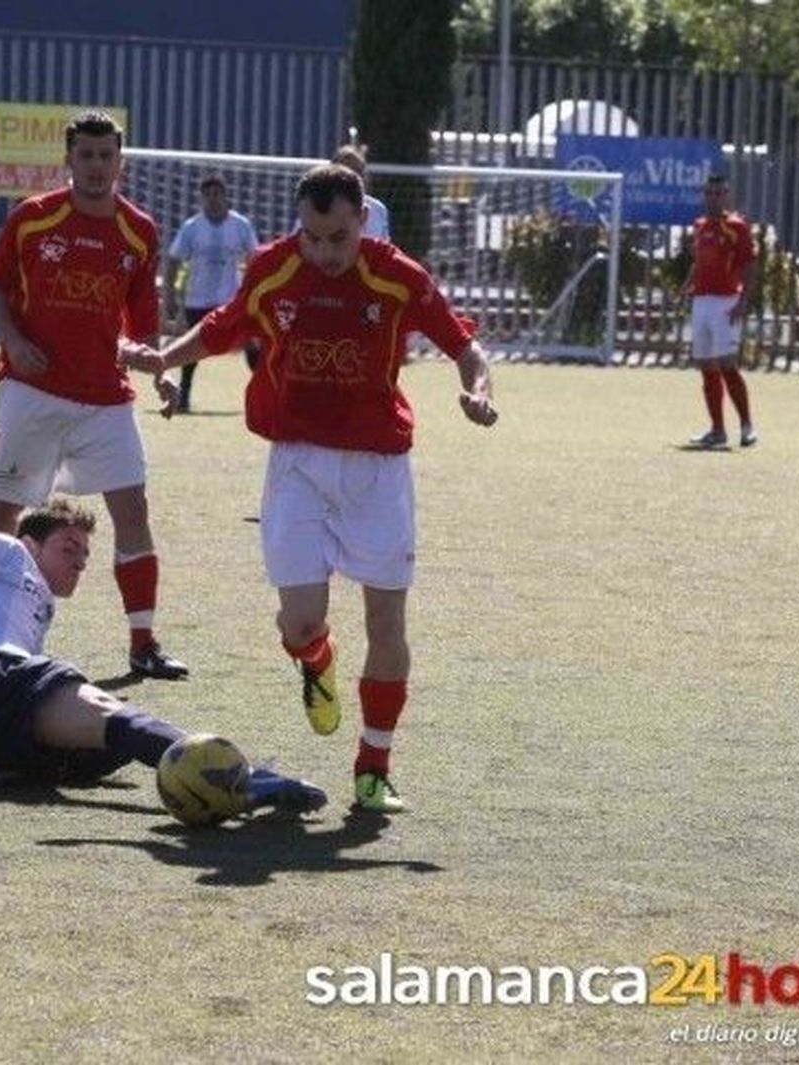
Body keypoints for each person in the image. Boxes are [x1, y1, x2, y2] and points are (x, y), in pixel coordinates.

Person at [121, 164, 499, 813]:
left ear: (362, 223)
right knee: (299, 621)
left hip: (378, 470)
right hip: (296, 463)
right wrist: (164, 358)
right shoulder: (274, 267)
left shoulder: (396, 275)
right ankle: (315, 658)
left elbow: (465, 347)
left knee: (386, 618)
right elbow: (223, 326)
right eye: (315, 236)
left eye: (340, 237)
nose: (325, 251)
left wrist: (477, 389)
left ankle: (374, 767)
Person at [0, 422, 326, 816]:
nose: (80, 562)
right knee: (119, 718)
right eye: (69, 548)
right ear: (30, 543)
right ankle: (247, 778)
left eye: (85, 555)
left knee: (105, 754)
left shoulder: (26, 607)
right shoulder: (8, 554)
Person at [0, 109, 188, 680]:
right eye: (86, 155)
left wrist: (158, 369)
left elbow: (141, 324)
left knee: (134, 509)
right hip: (32, 390)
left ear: (120, 161)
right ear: (68, 159)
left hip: (104, 397)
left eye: (107, 156)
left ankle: (143, 643)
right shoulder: (33, 219)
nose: (97, 167)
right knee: (3, 510)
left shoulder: (139, 230)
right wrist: (14, 339)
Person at [161, 173, 258, 411]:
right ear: (202, 199)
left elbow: (255, 257)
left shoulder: (240, 225)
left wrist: (254, 292)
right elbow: (173, 259)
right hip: (198, 299)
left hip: (230, 300)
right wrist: (170, 294)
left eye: (217, 194)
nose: (213, 199)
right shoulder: (192, 227)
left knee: (251, 344)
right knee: (193, 350)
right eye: (208, 195)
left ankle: (267, 390)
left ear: (226, 197)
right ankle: (183, 397)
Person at [683, 175, 758, 448]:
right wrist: (688, 283)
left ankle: (747, 426)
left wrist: (743, 301)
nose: (713, 197)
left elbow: (750, 264)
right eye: (709, 193)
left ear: (727, 195)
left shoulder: (736, 226)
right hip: (701, 302)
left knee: (727, 363)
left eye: (719, 193)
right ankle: (717, 430)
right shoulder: (700, 226)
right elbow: (699, 261)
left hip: (726, 302)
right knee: (706, 366)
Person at [329, 145, 390, 240]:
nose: (350, 176)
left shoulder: (378, 209)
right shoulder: (316, 207)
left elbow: (385, 246)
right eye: (343, 171)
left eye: (357, 170)